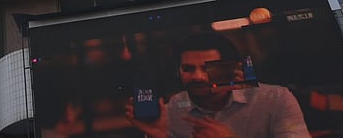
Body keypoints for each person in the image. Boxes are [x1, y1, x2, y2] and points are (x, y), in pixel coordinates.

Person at [126, 32, 311, 138]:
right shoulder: (172, 109)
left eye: (208, 69)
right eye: (188, 69)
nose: (197, 77)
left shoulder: (275, 99)